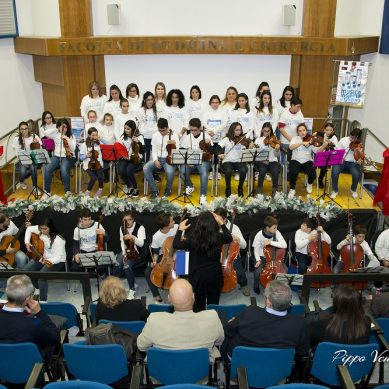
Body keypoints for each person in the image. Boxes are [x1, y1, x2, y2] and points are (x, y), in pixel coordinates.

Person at [137, 278, 224, 362]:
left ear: (169, 299)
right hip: (201, 373)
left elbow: (141, 346)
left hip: (164, 374)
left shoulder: (154, 320)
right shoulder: (212, 317)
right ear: (193, 296)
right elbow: (219, 341)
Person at [221, 280, 309, 361]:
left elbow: (228, 331)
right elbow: (302, 352)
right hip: (277, 367)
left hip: (242, 363)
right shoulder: (300, 323)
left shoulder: (250, 312)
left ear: (268, 302)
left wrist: (232, 323)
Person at [173, 211, 232, 312]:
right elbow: (229, 237)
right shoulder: (218, 237)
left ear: (198, 224)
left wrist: (180, 229)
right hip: (214, 276)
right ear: (214, 223)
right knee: (213, 306)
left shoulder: (192, 238)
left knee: (198, 305)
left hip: (197, 278)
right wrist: (222, 223)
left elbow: (176, 244)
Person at [0, 275, 60, 349]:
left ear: (6, 290)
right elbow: (55, 339)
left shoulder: (34, 323)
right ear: (28, 298)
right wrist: (39, 313)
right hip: (27, 360)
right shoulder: (35, 323)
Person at [21, 218, 66, 302]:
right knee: (25, 271)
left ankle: (43, 301)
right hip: (42, 257)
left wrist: (46, 261)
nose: (42, 230)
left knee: (41, 277)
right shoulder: (41, 231)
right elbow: (29, 229)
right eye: (41, 228)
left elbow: (58, 257)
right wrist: (27, 242)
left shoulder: (59, 240)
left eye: (45, 229)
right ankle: (38, 288)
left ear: (50, 228)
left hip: (57, 262)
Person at [214, 207, 249, 296]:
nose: (215, 221)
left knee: (240, 272)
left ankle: (243, 284)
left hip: (232, 257)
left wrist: (237, 239)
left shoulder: (235, 228)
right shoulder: (213, 227)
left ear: (224, 219)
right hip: (217, 255)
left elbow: (244, 246)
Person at [113, 211, 147, 299]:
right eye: (125, 220)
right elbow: (122, 242)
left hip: (139, 252)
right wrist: (124, 254)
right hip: (127, 250)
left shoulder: (140, 227)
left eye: (129, 220)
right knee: (117, 263)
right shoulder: (122, 228)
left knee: (127, 266)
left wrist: (132, 237)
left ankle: (132, 289)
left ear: (133, 220)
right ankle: (114, 287)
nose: (127, 222)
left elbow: (141, 244)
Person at [143, 118, 179, 199]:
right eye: (160, 130)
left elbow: (177, 151)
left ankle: (167, 190)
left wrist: (174, 144)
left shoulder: (174, 135)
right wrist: (155, 160)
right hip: (157, 158)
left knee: (170, 172)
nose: (161, 132)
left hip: (168, 159)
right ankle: (154, 191)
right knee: (145, 168)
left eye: (163, 130)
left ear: (167, 127)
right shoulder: (155, 135)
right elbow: (154, 150)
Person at [179, 118, 213, 205]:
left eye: (195, 130)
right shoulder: (187, 137)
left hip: (203, 160)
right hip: (191, 161)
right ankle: (190, 186)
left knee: (204, 173)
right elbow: (183, 151)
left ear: (200, 128)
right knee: (182, 171)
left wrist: (208, 144)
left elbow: (212, 151)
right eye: (191, 130)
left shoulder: (206, 136)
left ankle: (203, 195)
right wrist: (187, 161)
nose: (193, 132)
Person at [42, 118, 77, 198]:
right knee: (47, 168)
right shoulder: (55, 134)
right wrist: (57, 128)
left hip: (69, 156)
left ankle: (67, 191)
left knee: (63, 169)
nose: (64, 129)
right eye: (62, 127)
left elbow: (73, 149)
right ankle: (47, 191)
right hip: (57, 156)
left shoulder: (71, 136)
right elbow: (45, 132)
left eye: (65, 127)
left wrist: (66, 138)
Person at [148, 212, 178, 303]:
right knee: (148, 271)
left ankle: (178, 293)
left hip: (178, 253)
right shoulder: (156, 237)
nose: (174, 222)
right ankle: (156, 294)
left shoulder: (177, 227)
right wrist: (155, 260)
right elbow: (156, 252)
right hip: (164, 255)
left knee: (182, 268)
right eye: (172, 221)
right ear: (166, 225)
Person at [252, 216, 287, 294]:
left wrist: (271, 242)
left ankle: (279, 287)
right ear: (267, 228)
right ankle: (256, 286)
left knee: (285, 269)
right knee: (257, 271)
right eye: (274, 228)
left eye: (276, 227)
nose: (276, 229)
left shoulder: (277, 232)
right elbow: (256, 250)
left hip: (275, 256)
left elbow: (284, 245)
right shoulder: (259, 235)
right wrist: (258, 260)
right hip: (262, 255)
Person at [218, 122, 254, 197]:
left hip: (238, 161)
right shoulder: (226, 139)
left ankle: (240, 188)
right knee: (228, 171)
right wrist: (220, 154)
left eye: (240, 130)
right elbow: (217, 148)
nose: (239, 132)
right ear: (232, 130)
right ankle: (228, 188)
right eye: (237, 130)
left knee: (244, 170)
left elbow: (247, 153)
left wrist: (250, 147)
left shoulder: (242, 140)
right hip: (228, 161)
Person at [288, 123, 323, 198]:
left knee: (313, 173)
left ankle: (309, 183)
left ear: (306, 131)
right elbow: (290, 147)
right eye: (300, 131)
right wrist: (302, 143)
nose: (302, 132)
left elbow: (317, 152)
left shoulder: (311, 139)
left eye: (304, 130)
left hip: (307, 160)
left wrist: (324, 145)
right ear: (297, 132)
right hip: (295, 159)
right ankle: (292, 188)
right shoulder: (295, 138)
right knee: (293, 172)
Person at [330, 128, 364, 200]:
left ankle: (353, 189)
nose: (351, 138)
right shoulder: (343, 140)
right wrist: (340, 157)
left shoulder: (359, 144)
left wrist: (358, 159)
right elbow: (336, 150)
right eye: (351, 136)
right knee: (335, 172)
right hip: (341, 161)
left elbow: (359, 157)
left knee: (356, 174)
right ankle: (335, 190)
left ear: (357, 138)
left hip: (352, 163)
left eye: (354, 138)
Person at [117, 119, 144, 197]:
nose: (126, 130)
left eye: (128, 129)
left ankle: (135, 188)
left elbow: (142, 151)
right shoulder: (122, 137)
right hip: (125, 157)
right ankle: (129, 186)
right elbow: (120, 148)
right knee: (121, 170)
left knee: (129, 170)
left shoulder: (140, 136)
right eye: (125, 128)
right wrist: (122, 155)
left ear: (133, 129)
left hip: (136, 158)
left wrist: (138, 142)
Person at [12, 121, 42, 190]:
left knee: (33, 168)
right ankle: (21, 181)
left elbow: (40, 148)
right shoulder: (17, 139)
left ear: (28, 129)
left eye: (25, 129)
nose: (24, 131)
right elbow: (16, 151)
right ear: (20, 130)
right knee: (23, 171)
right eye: (22, 129)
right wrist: (22, 160)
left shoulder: (34, 136)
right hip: (22, 159)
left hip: (33, 158)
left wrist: (37, 143)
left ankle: (35, 187)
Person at [254, 122, 281, 196]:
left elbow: (277, 155)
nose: (266, 133)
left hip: (273, 161)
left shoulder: (274, 139)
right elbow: (255, 155)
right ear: (262, 130)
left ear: (271, 131)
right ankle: (259, 190)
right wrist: (262, 160)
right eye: (265, 131)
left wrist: (276, 150)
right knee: (262, 171)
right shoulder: (258, 140)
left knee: (275, 171)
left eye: (268, 131)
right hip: (261, 161)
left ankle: (275, 191)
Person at [278, 96, 304, 164]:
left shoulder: (300, 114)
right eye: (298, 107)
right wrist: (289, 138)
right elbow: (281, 128)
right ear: (292, 105)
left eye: (300, 107)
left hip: (296, 142)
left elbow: (303, 127)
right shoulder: (285, 114)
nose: (299, 109)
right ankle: (284, 174)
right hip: (286, 142)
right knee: (284, 162)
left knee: (293, 162)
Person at [79, 127, 104, 197]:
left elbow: (108, 144)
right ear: (89, 135)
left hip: (98, 163)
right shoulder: (84, 145)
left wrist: (101, 139)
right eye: (93, 135)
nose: (95, 137)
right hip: (88, 164)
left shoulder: (99, 143)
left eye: (96, 135)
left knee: (100, 176)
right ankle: (88, 191)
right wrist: (86, 156)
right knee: (93, 177)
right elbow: (81, 157)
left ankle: (100, 189)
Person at [136, 91, 158, 162]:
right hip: (145, 137)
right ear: (144, 100)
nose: (150, 102)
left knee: (154, 155)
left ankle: (154, 170)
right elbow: (137, 124)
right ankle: (146, 170)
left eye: (151, 99)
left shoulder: (157, 110)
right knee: (146, 155)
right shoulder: (140, 110)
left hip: (154, 136)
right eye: (148, 100)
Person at [317, 122, 338, 188]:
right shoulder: (322, 135)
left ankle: (322, 178)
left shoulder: (334, 138)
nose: (329, 132)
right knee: (323, 164)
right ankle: (320, 179)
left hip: (331, 156)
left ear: (333, 131)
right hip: (321, 154)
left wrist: (331, 144)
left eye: (330, 130)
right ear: (324, 130)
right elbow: (316, 134)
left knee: (325, 164)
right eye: (327, 130)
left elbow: (336, 149)